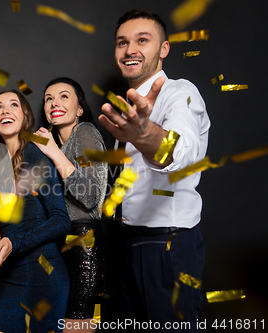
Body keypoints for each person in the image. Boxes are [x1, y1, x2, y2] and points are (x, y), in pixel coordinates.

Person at [98, 8, 210, 331]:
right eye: (122, 42)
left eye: (142, 40)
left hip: (167, 246)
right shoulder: (126, 109)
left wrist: (146, 135)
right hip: (127, 242)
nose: (130, 49)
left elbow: (183, 151)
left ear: (163, 49)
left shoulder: (181, 93)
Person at [0, 90, 71, 333]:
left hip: (42, 272)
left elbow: (61, 220)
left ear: (24, 116)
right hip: (11, 274)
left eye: (13, 105)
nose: (5, 111)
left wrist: (14, 241)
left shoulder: (33, 153)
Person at [33, 77, 108, 332]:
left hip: (83, 244)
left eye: (64, 96)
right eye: (49, 99)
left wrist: (54, 152)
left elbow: (90, 197)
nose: (55, 102)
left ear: (79, 109)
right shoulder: (48, 144)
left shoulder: (85, 132)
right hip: (55, 246)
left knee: (76, 325)